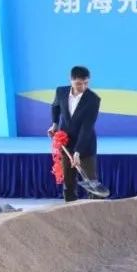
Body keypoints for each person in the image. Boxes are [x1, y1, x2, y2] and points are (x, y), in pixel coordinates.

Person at [48, 66, 101, 202]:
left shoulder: (93, 99)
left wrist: (78, 152)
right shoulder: (61, 91)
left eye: (86, 83)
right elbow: (55, 106)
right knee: (69, 182)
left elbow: (86, 128)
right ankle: (70, 207)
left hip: (85, 144)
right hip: (66, 143)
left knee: (91, 183)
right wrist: (54, 124)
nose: (83, 87)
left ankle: (95, 209)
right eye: (79, 83)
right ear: (71, 80)